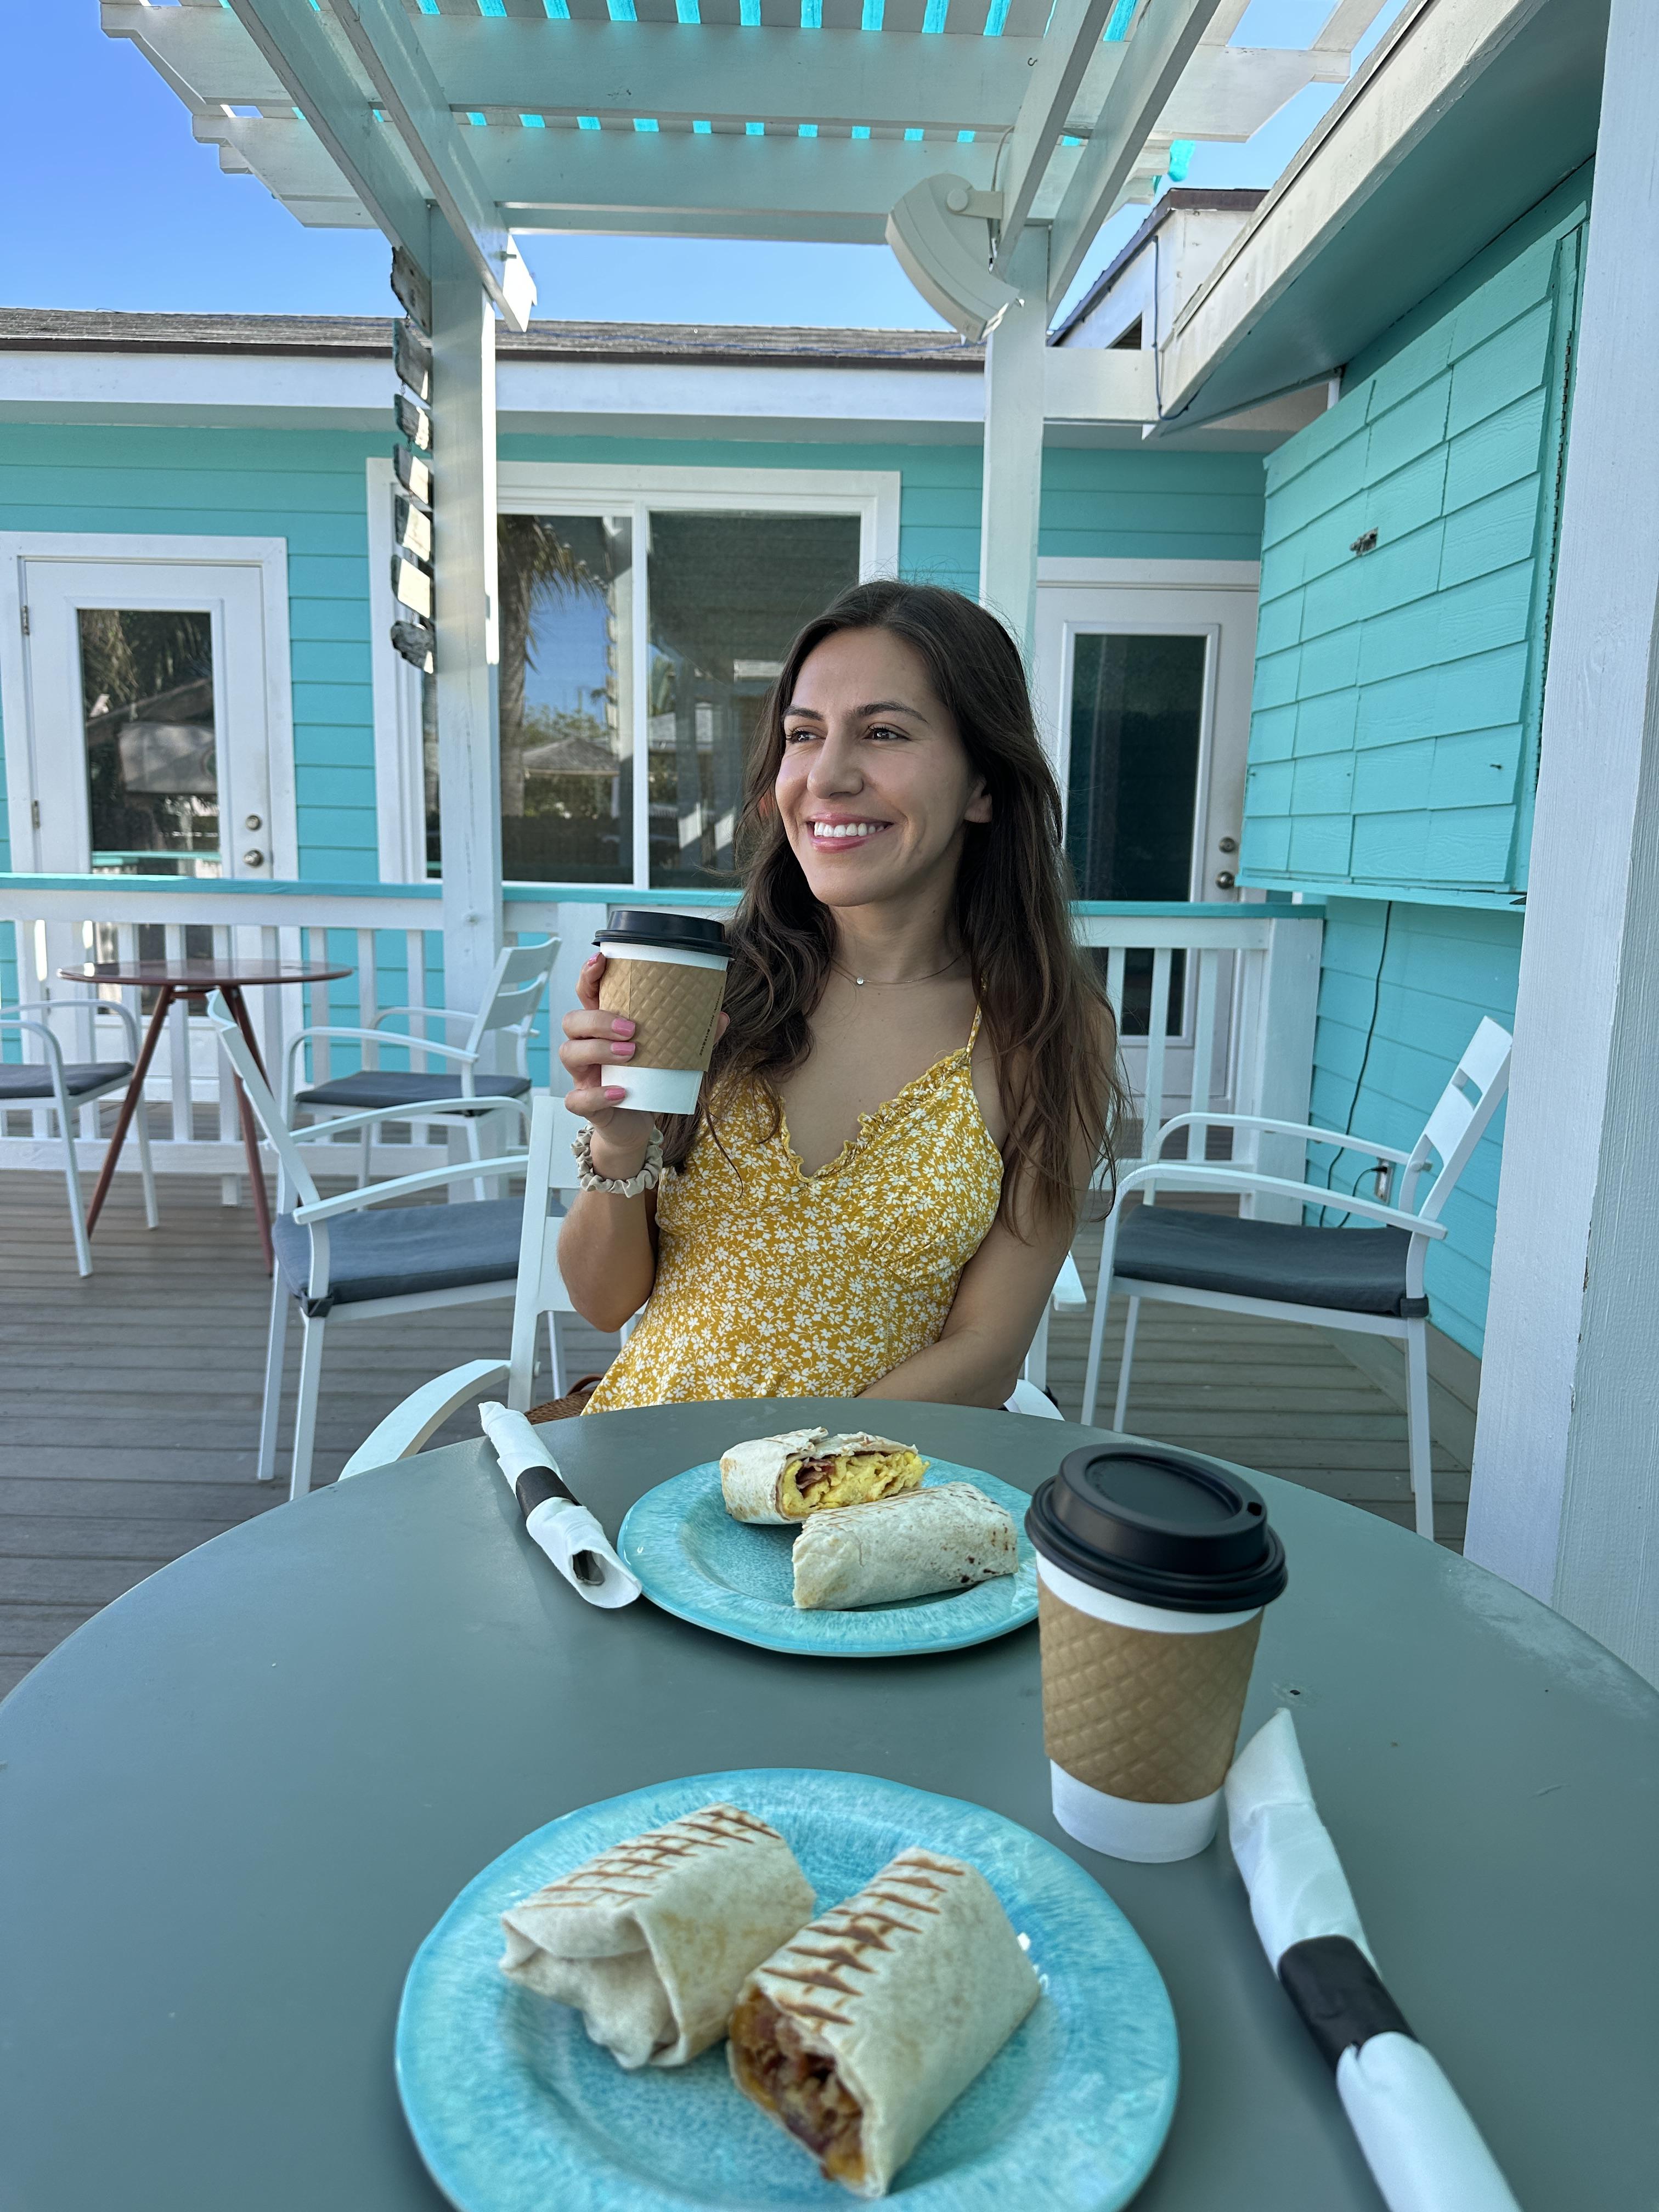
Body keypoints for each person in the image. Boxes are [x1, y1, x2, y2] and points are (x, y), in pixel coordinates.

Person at [556, 579, 1123, 1412]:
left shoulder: (1047, 1027)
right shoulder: (716, 987)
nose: (827, 776)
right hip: (641, 1468)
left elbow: (988, 1351)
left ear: (983, 785)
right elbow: (604, 1303)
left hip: (860, 1497)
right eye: (803, 735)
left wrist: (784, 1478)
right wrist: (618, 1139)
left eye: (884, 733)